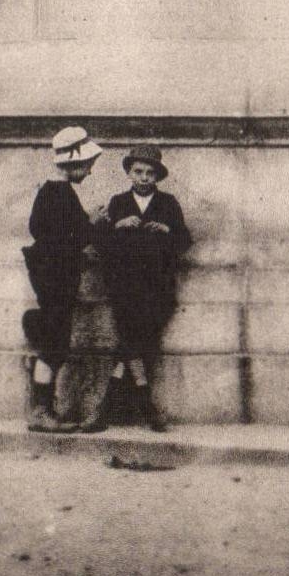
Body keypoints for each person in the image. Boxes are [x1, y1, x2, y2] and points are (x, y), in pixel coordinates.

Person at [86, 144, 192, 433]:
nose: (144, 178)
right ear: (129, 173)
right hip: (125, 287)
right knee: (137, 343)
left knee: (132, 344)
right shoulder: (118, 201)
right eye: (138, 172)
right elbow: (100, 242)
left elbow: (184, 241)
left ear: (158, 176)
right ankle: (145, 406)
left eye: (150, 173)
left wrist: (167, 230)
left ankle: (106, 409)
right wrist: (118, 225)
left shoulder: (168, 203)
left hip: (158, 287)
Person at [21, 125, 106, 432]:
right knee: (54, 345)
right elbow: (61, 238)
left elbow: (42, 232)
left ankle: (43, 408)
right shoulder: (60, 194)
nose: (89, 172)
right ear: (74, 163)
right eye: (88, 166)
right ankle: (41, 411)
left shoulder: (50, 192)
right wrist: (90, 223)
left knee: (54, 342)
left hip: (50, 274)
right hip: (55, 278)